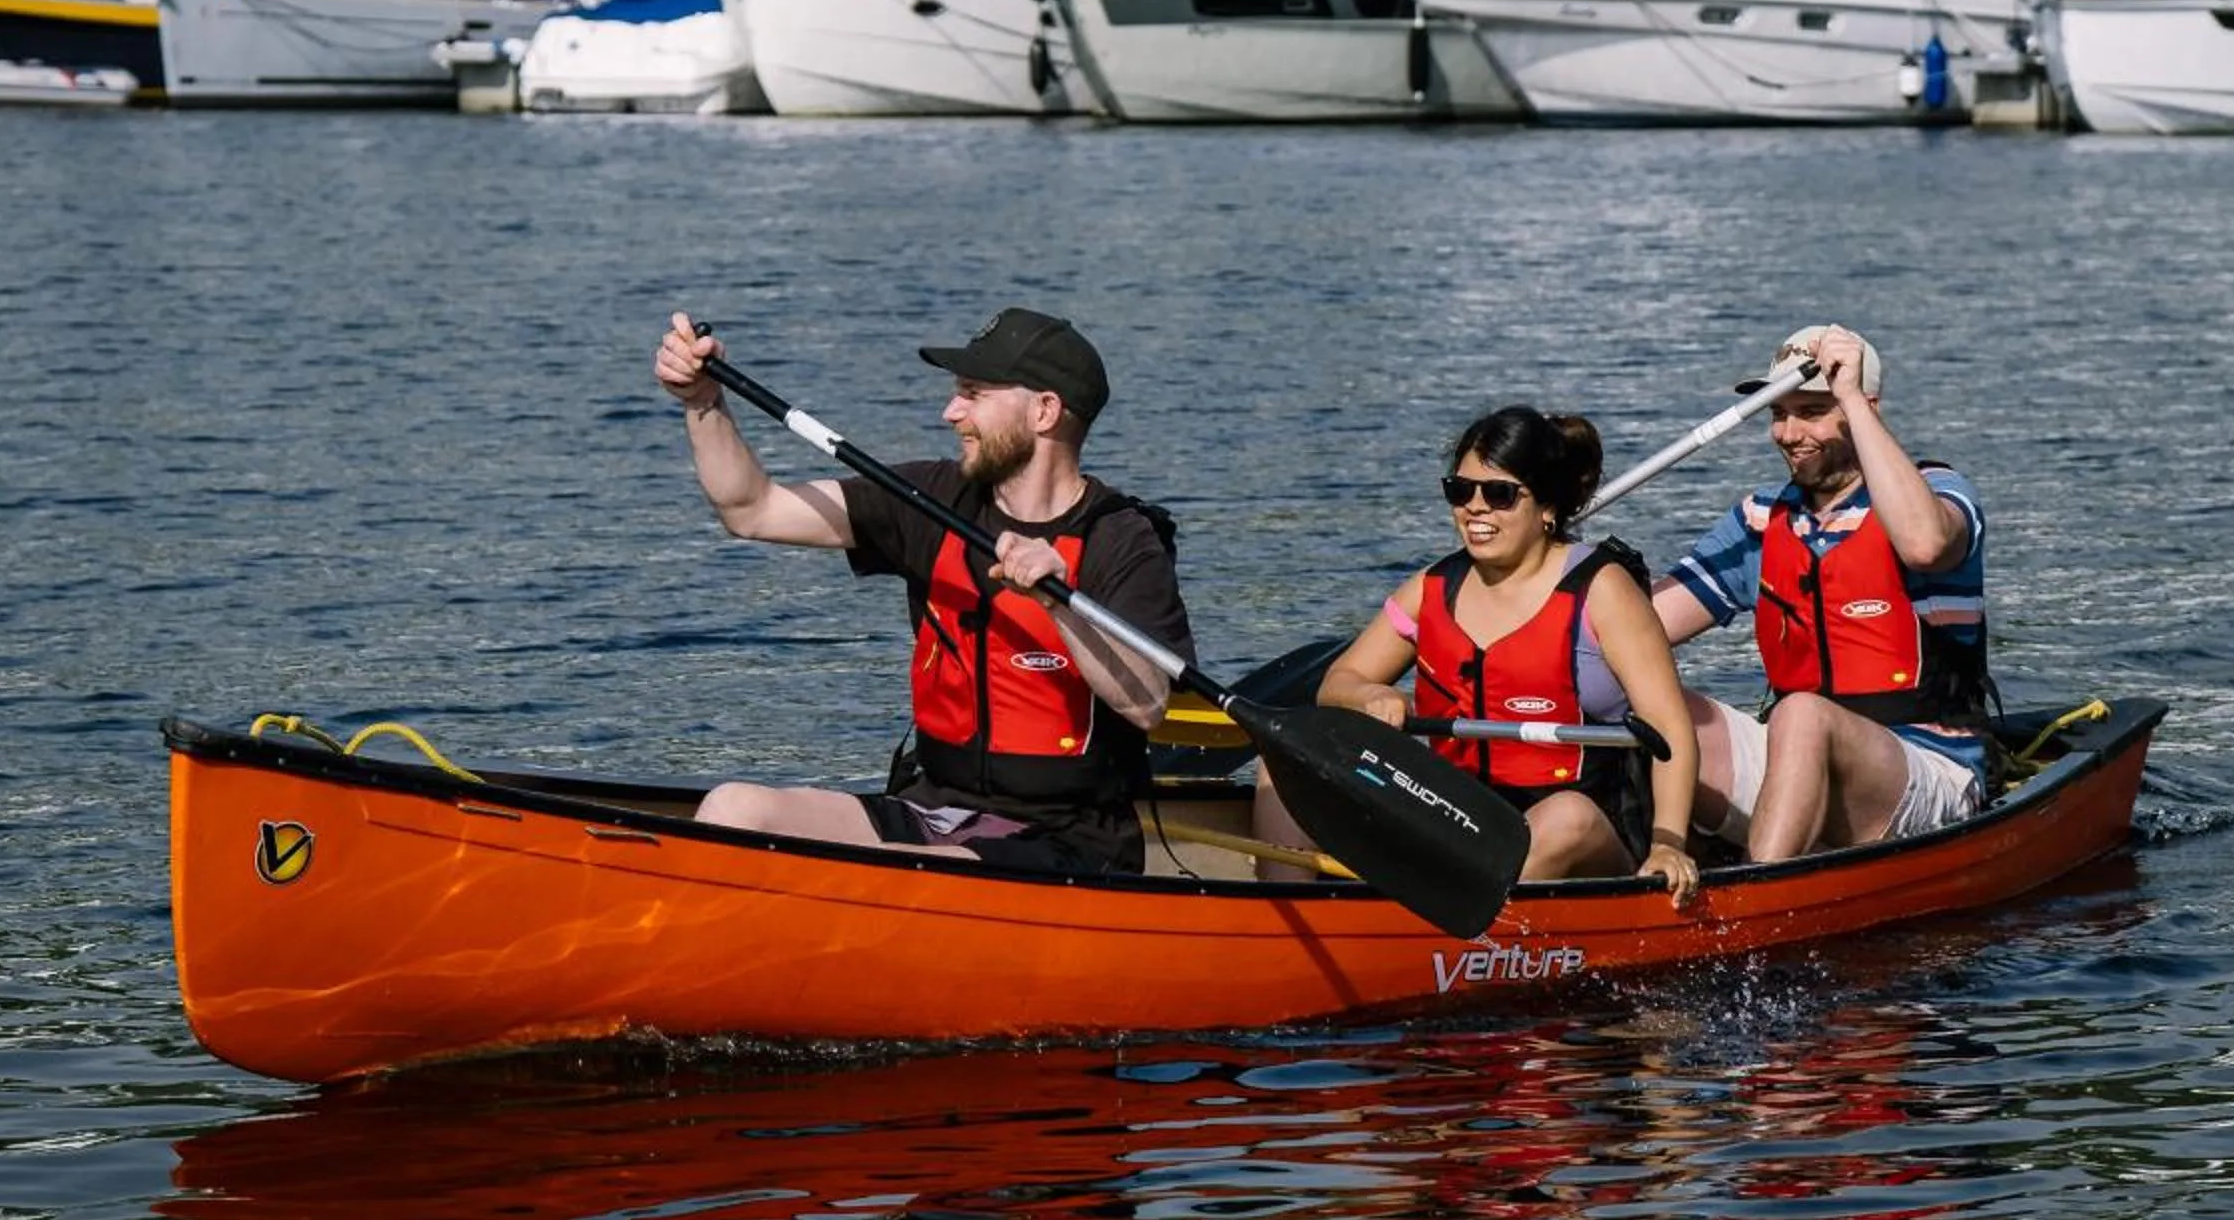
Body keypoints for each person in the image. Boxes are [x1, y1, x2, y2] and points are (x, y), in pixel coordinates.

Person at [652, 305, 1192, 875]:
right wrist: (703, 404)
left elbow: (1148, 703)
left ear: (1044, 410)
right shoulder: (931, 499)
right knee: (734, 809)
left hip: (1067, 840)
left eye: (974, 394)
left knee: (901, 872)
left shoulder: (1120, 540)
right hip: (937, 810)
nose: (950, 411)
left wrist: (1056, 602)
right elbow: (753, 510)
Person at [1272, 406, 1704, 900]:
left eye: (1498, 494)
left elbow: (1669, 728)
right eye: (1460, 491)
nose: (1475, 508)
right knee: (1284, 757)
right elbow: (1338, 681)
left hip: (1584, 828)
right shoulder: (1433, 586)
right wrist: (1369, 694)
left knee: (1567, 818)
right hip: (1455, 816)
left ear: (1547, 507)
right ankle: (1289, 919)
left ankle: (1436, 925)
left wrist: (1669, 843)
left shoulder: (1603, 590)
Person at [1650, 325, 1996, 863]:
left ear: (1866, 409)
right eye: (1777, 413)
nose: (1788, 433)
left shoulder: (1937, 494)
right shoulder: (1759, 522)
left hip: (1931, 770)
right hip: (1798, 761)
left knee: (1802, 715)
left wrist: (1852, 397)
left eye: (1810, 412)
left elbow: (1927, 545)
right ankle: (1648, 869)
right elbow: (1634, 632)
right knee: (1643, 702)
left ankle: (1755, 905)